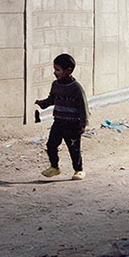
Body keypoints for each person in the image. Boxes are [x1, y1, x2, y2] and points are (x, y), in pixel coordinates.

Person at [35, 52, 88, 180]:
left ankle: (79, 170)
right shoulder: (56, 85)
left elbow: (83, 106)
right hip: (58, 122)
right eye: (54, 69)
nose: (55, 73)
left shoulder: (76, 88)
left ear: (68, 71)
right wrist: (43, 103)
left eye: (57, 70)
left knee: (74, 148)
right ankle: (54, 167)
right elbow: (52, 99)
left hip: (72, 124)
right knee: (51, 145)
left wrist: (83, 124)